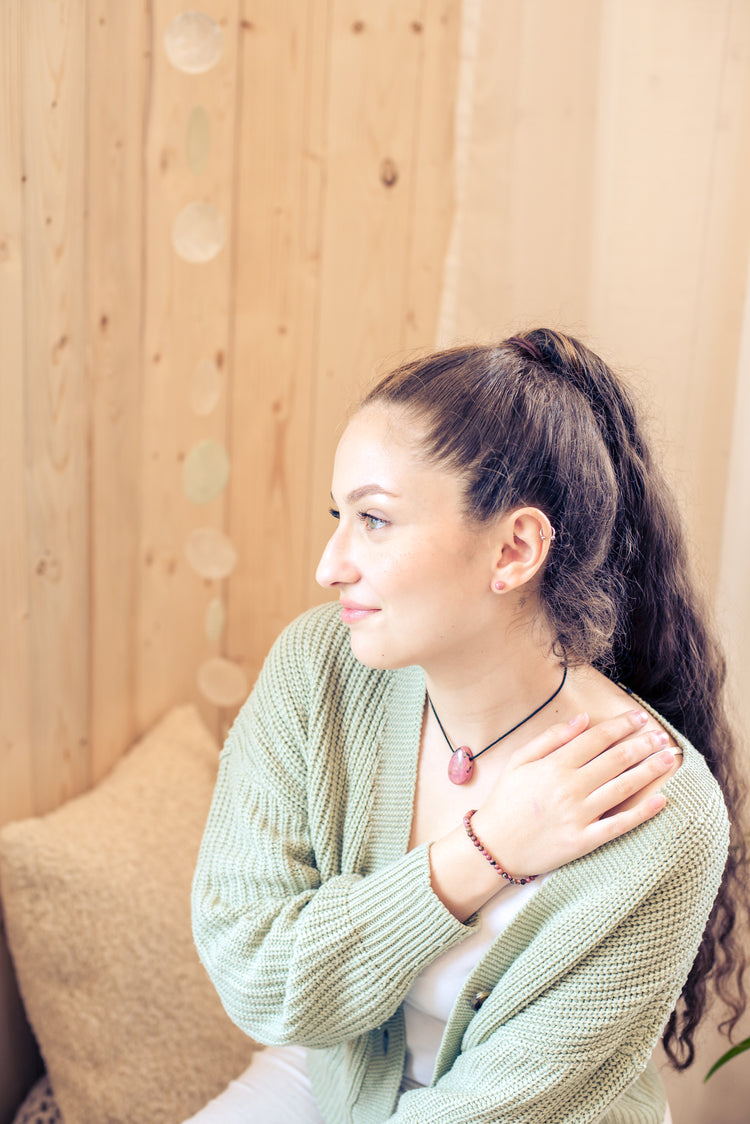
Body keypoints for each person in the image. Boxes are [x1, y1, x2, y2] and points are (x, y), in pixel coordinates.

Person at [189, 330, 746, 1123]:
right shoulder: (319, 665)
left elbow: (497, 1110)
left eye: (374, 521)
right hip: (338, 1077)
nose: (330, 563)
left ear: (515, 549)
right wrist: (484, 852)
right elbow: (255, 974)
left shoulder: (665, 809)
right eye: (337, 514)